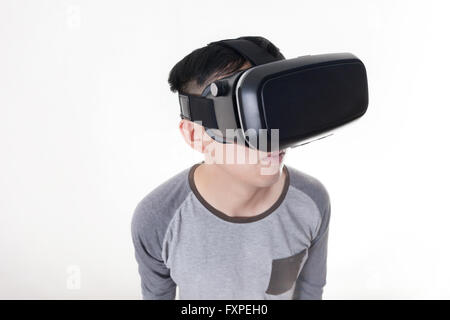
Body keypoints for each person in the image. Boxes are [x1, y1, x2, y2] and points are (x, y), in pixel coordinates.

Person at [131, 36, 331, 300]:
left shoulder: (312, 202)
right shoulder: (158, 217)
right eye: (246, 117)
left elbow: (310, 292)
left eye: (276, 110)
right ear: (195, 135)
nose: (272, 136)